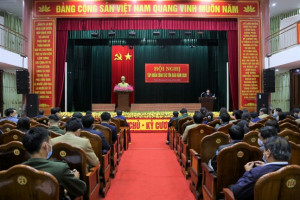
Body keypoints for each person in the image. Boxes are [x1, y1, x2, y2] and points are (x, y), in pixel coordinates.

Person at [22, 127, 86, 200]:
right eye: (50, 142)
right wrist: (75, 178)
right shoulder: (59, 168)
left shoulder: (17, 170)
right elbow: (81, 189)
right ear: (45, 146)